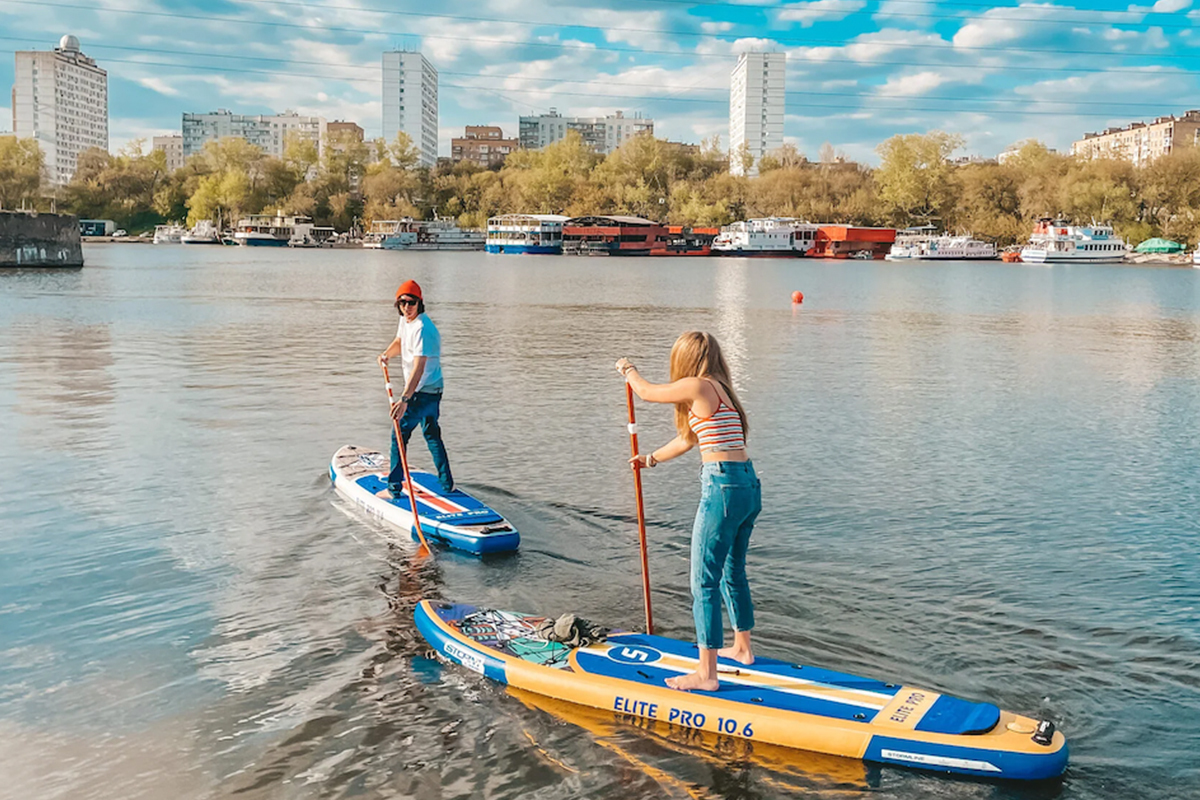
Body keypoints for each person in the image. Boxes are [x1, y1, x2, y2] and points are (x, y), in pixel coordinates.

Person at [615, 331, 761, 692]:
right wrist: (650, 459)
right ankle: (742, 648)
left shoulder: (698, 386)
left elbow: (647, 392)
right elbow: (687, 439)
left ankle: (706, 674)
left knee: (702, 581)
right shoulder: (721, 389)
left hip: (722, 488)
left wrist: (628, 370)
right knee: (732, 571)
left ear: (687, 360)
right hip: (747, 484)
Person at [378, 279, 454, 494]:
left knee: (399, 434)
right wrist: (385, 355)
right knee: (431, 434)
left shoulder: (422, 328)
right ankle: (447, 484)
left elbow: (419, 368)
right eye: (402, 303)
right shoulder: (405, 320)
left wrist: (404, 399)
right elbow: (400, 342)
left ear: (419, 303)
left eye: (411, 303)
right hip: (428, 389)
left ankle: (393, 488)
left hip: (424, 392)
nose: (406, 307)